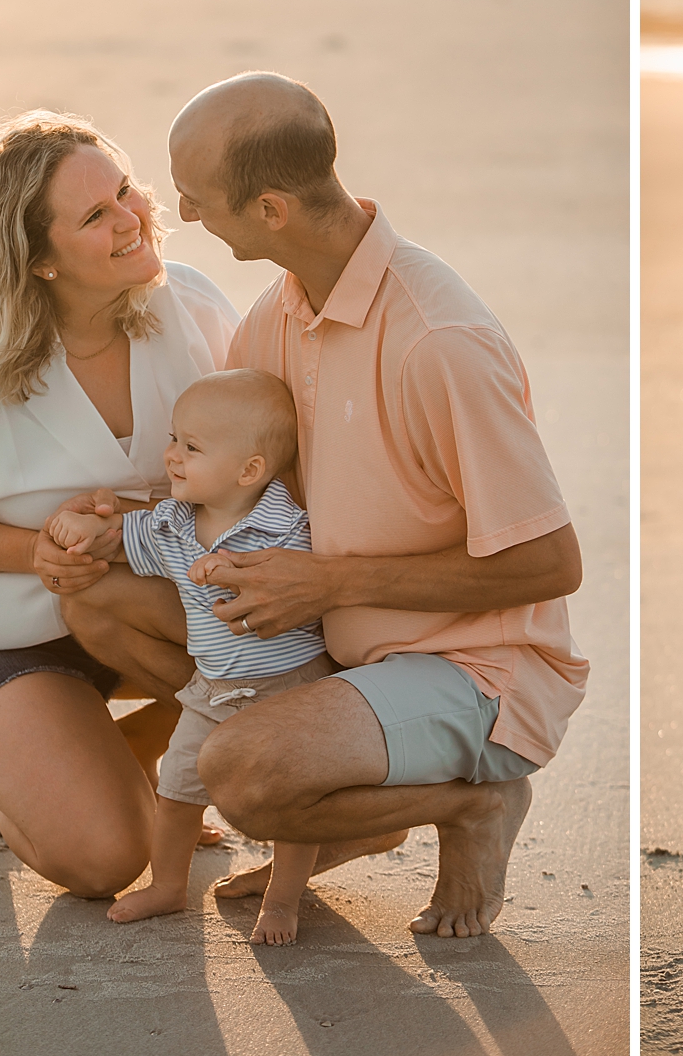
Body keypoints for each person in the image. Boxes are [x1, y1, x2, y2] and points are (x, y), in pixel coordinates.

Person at [58, 72, 588, 939]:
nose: (183, 214)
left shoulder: (439, 342)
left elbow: (549, 565)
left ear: (271, 210)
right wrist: (113, 518)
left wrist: (326, 584)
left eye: (199, 197)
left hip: (475, 671)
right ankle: (341, 797)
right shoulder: (273, 317)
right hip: (330, 649)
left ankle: (471, 804)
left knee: (243, 776)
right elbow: (239, 486)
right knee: (100, 596)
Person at [0, 110, 241, 898]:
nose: (133, 218)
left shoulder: (190, 310)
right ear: (38, 258)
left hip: (131, 610)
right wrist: (32, 549)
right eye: (95, 215)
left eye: (126, 191)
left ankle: (123, 750)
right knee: (105, 857)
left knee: (299, 637)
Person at [46, 369, 333, 943]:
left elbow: (307, 589)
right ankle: (168, 885)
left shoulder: (289, 527)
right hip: (211, 689)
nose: (170, 455)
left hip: (290, 688)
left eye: (191, 447)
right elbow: (121, 539)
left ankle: (282, 899)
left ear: (250, 471)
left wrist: (230, 571)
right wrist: (80, 525)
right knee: (176, 791)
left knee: (290, 804)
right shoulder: (174, 523)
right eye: (174, 438)